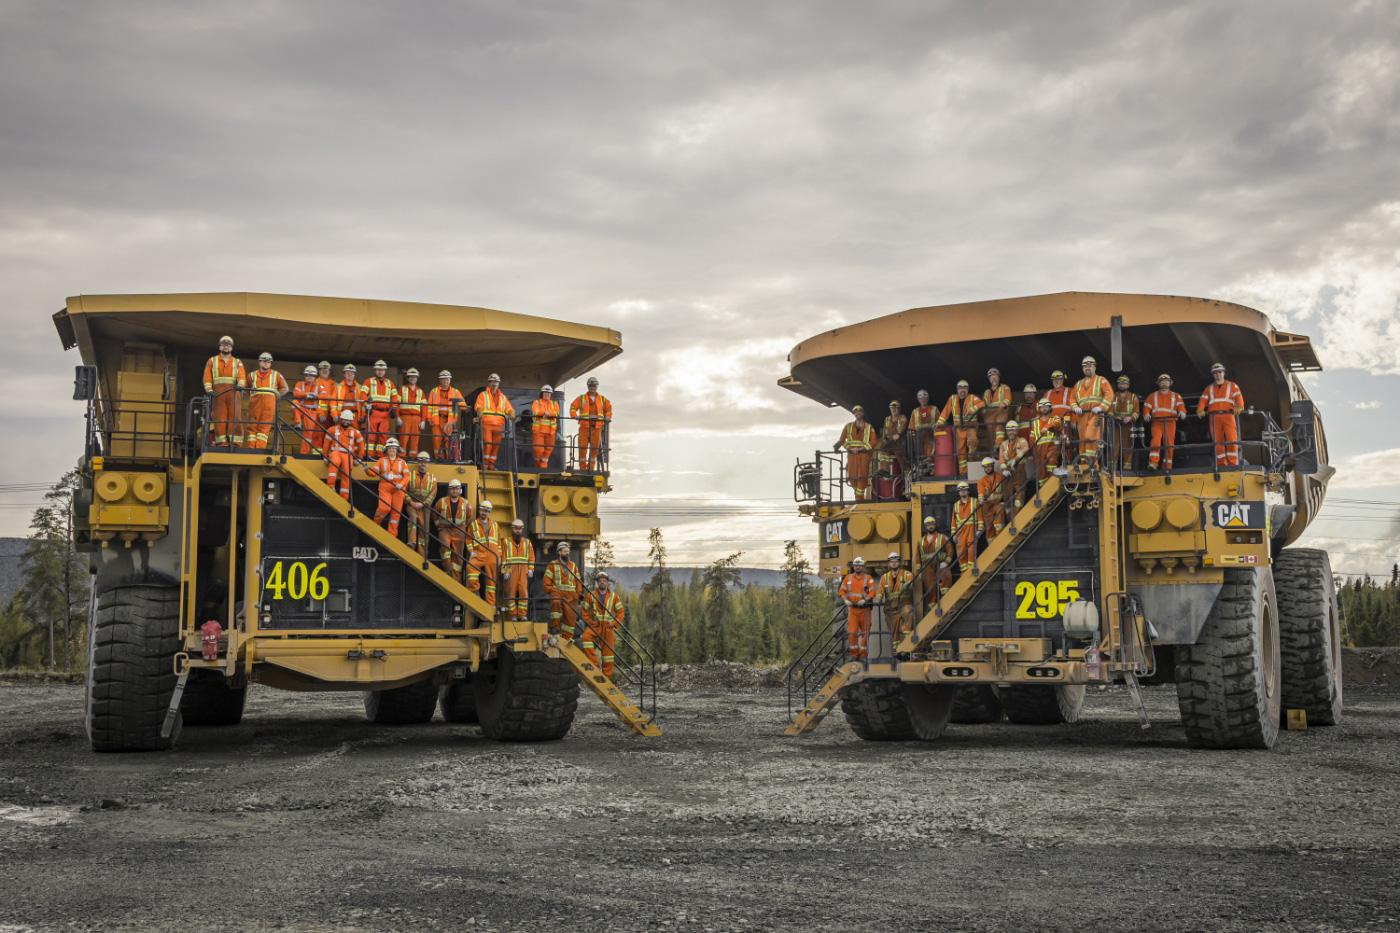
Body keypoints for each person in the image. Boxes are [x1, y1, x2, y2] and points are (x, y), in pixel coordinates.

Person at [202, 335, 246, 447]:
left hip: (233, 393)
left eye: (228, 345)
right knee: (219, 419)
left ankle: (236, 443)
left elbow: (242, 376)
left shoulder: (237, 362)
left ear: (231, 348)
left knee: (235, 418)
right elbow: (207, 377)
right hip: (218, 394)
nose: (226, 347)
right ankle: (222, 443)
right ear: (220, 347)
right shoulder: (212, 361)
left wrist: (241, 385)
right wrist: (209, 389)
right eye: (224, 345)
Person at [1198, 363, 1244, 467]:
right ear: (1213, 375)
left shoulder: (1232, 386)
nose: (1218, 374)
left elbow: (1238, 397)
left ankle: (1232, 464)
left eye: (1220, 372)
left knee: (1232, 440)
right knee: (1218, 442)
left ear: (1224, 373)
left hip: (1228, 415)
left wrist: (1240, 407)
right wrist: (1200, 409)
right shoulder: (1208, 388)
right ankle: (1222, 464)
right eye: (1215, 373)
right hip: (1214, 417)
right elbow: (1203, 400)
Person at [1070, 356, 1113, 459]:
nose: (1087, 368)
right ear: (1082, 369)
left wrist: (1101, 407)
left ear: (1094, 368)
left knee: (1090, 436)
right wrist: (1075, 407)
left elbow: (1109, 394)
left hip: (1096, 414)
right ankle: (1084, 462)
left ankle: (1092, 463)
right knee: (1082, 439)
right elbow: (1072, 399)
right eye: (1085, 366)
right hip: (1082, 415)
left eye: (1089, 366)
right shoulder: (1078, 384)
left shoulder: (1101, 380)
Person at [938, 380, 985, 475]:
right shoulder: (952, 399)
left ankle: (971, 456)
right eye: (960, 388)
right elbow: (945, 412)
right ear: (957, 390)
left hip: (970, 427)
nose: (962, 390)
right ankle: (963, 473)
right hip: (958, 429)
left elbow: (982, 403)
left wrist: (972, 409)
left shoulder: (972, 398)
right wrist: (939, 422)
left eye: (964, 388)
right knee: (960, 452)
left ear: (967, 390)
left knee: (973, 440)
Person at [581, 571, 623, 677]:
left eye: (604, 581)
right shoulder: (590, 596)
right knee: (586, 638)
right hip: (596, 625)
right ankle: (594, 664)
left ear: (607, 583)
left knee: (608, 654)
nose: (602, 583)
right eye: (600, 581)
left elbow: (621, 612)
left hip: (608, 627)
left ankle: (606, 677)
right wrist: (590, 622)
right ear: (597, 583)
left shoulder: (614, 597)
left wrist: (614, 623)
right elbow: (584, 611)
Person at [244, 352, 289, 450]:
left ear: (271, 363)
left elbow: (285, 389)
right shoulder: (251, 375)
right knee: (252, 428)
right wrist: (253, 397)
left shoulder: (276, 375)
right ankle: (251, 450)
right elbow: (245, 389)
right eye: (264, 361)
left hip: (269, 405)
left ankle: (259, 450)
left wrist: (276, 396)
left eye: (268, 362)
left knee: (264, 428)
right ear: (259, 362)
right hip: (254, 406)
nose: (266, 363)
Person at [1142, 374, 1187, 470]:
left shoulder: (1176, 396)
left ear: (1170, 383)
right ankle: (1153, 463)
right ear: (1158, 383)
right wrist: (1146, 414)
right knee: (1155, 440)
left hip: (1170, 422)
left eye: (1166, 381)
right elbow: (1146, 407)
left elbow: (1181, 407)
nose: (1164, 383)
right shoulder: (1152, 396)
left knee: (1169, 443)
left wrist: (1182, 412)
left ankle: (1167, 465)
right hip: (1156, 422)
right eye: (1162, 382)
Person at [838, 557, 877, 661]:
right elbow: (842, 591)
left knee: (866, 632)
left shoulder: (868, 578)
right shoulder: (848, 578)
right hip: (853, 609)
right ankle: (854, 655)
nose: (858, 567)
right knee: (852, 632)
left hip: (865, 609)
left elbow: (872, 593)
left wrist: (865, 600)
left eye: (860, 565)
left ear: (863, 566)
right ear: (853, 567)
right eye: (856, 565)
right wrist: (845, 600)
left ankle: (863, 655)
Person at [474, 372, 516, 469]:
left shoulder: (502, 397)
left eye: (496, 382)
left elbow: (508, 407)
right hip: (487, 423)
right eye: (492, 382)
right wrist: (479, 410)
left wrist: (511, 412)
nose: (494, 384)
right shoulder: (483, 395)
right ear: (489, 383)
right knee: (488, 444)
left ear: (498, 384)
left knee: (496, 445)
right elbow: (478, 404)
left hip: (498, 425)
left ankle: (491, 464)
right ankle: (484, 464)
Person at [834, 406, 876, 501]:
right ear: (854, 414)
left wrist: (862, 448)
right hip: (852, 456)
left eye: (860, 411)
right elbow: (841, 440)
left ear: (863, 413)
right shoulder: (848, 426)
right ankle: (858, 497)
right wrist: (850, 448)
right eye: (856, 412)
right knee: (852, 477)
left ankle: (859, 499)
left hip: (863, 455)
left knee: (862, 476)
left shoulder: (869, 427)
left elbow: (874, 442)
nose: (858, 413)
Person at [570, 376, 613, 470]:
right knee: (582, 448)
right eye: (590, 385)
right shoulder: (581, 398)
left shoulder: (602, 399)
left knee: (594, 449)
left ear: (597, 386)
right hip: (584, 426)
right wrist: (574, 415)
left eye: (594, 385)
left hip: (597, 427)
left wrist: (608, 417)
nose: (592, 387)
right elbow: (573, 407)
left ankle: (591, 468)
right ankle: (583, 469)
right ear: (588, 387)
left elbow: (609, 408)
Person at [368, 437, 408, 536]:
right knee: (384, 508)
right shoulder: (381, 460)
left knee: (396, 513)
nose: (392, 450)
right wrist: (366, 470)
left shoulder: (402, 462)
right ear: (386, 450)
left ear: (397, 450)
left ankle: (392, 535)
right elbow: (373, 473)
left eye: (394, 448)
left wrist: (401, 484)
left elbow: (407, 476)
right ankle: (376, 524)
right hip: (385, 487)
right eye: (390, 448)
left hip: (398, 489)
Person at [466, 500, 503, 607]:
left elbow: (499, 542)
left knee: (491, 581)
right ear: (479, 510)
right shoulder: (473, 525)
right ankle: (474, 591)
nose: (484, 512)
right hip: (479, 553)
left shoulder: (495, 525)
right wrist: (471, 552)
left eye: (487, 511)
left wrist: (499, 556)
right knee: (470, 567)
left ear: (489, 512)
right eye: (482, 510)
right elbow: (468, 540)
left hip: (493, 555)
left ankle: (491, 604)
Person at [433, 479, 471, 582]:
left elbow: (469, 517)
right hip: (445, 530)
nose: (455, 491)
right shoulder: (441, 501)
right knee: (445, 548)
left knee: (458, 556)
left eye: (457, 488)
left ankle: (456, 580)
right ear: (449, 490)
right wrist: (439, 526)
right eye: (453, 488)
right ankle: (448, 569)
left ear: (460, 490)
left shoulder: (466, 503)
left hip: (459, 531)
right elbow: (434, 514)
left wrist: (463, 528)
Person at [322, 409, 364, 501]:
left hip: (348, 455)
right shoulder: (332, 429)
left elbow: (361, 444)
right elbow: (326, 443)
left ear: (351, 421)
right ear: (340, 419)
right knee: (334, 463)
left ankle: (344, 498)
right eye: (344, 419)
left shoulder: (355, 432)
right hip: (335, 453)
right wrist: (324, 455)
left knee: (346, 475)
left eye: (348, 420)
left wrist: (360, 457)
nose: (346, 421)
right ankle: (330, 486)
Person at [362, 360, 400, 458]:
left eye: (382, 370)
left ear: (385, 371)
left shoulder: (390, 383)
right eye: (378, 370)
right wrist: (366, 405)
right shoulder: (368, 381)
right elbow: (363, 394)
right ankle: (368, 455)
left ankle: (380, 455)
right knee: (370, 435)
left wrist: (394, 407)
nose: (380, 372)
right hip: (373, 412)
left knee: (383, 436)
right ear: (375, 370)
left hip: (385, 414)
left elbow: (395, 396)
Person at [877, 552, 916, 646]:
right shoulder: (884, 577)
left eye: (896, 561)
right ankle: (895, 651)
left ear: (899, 563)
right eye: (892, 562)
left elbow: (911, 582)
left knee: (909, 614)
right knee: (892, 629)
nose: (894, 563)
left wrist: (908, 585)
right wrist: (878, 599)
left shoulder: (907, 574)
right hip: (890, 607)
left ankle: (908, 645)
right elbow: (880, 590)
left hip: (904, 603)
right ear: (889, 564)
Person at [500, 519, 536, 621]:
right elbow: (503, 558)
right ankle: (513, 615)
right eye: (516, 528)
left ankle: (522, 615)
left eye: (520, 529)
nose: (517, 531)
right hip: (511, 571)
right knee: (510, 592)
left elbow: (532, 557)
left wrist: (531, 569)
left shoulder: (527, 543)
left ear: (522, 530)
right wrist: (505, 571)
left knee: (523, 592)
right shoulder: (506, 542)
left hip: (523, 570)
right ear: (512, 529)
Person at [543, 542, 581, 637]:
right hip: (557, 592)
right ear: (559, 552)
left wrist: (578, 594)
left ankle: (567, 637)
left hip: (571, 595)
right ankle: (555, 627)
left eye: (568, 551)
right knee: (555, 603)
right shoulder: (552, 564)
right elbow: (546, 579)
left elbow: (578, 581)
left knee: (570, 616)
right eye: (565, 551)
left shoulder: (573, 566)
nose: (567, 553)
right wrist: (550, 590)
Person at [404, 451, 438, 557]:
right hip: (412, 504)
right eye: (421, 461)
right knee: (413, 519)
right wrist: (410, 501)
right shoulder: (410, 475)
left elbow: (433, 494)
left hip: (425, 507)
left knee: (424, 528)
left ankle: (422, 555)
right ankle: (412, 543)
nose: (423, 464)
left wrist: (424, 504)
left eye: (425, 462)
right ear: (417, 463)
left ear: (428, 463)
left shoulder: (432, 478)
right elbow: (404, 490)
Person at [426, 370, 465, 461]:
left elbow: (462, 403)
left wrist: (465, 408)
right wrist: (429, 419)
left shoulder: (456, 392)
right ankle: (438, 459)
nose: (445, 381)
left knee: (449, 442)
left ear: (450, 380)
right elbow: (429, 406)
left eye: (447, 379)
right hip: (437, 420)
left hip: (450, 422)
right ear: (440, 380)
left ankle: (449, 460)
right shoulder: (434, 391)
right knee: (436, 442)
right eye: (443, 379)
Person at [917, 516, 954, 602]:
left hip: (941, 564)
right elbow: (917, 556)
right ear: (925, 527)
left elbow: (950, 550)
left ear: (935, 525)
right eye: (928, 525)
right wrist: (919, 571)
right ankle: (932, 607)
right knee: (930, 588)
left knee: (946, 577)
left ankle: (946, 600)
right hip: (927, 567)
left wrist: (946, 562)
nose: (930, 526)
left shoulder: (942, 538)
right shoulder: (921, 541)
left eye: (932, 524)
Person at [996, 420, 1032, 509]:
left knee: (1019, 498)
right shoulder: (1003, 445)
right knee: (1007, 497)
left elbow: (1025, 449)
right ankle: (1009, 519)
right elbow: (1001, 459)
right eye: (1009, 430)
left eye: (1013, 430)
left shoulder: (1022, 441)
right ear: (1007, 432)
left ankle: (1017, 518)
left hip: (1019, 474)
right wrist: (1004, 470)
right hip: (1007, 475)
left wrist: (1015, 460)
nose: (1011, 432)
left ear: (1017, 431)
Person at [1110, 375, 1141, 470]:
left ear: (1128, 385)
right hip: (1115, 425)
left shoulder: (1133, 397)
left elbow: (1137, 412)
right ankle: (1112, 468)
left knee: (1127, 445)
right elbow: (1109, 410)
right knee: (1114, 445)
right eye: (1120, 383)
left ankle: (1127, 469)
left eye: (1124, 383)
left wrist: (1130, 418)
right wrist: (1114, 416)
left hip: (1128, 425)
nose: (1121, 385)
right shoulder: (1113, 396)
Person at [1030, 398, 1063, 483]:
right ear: (1039, 409)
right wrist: (1032, 450)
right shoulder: (1035, 422)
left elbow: (1057, 424)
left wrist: (1046, 427)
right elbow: (1032, 437)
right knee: (1041, 471)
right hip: (1038, 449)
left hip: (1052, 446)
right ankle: (1043, 489)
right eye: (1042, 407)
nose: (1044, 408)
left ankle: (1052, 484)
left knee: (1051, 461)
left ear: (1049, 408)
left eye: (1046, 406)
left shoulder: (1055, 418)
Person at [951, 481, 982, 572]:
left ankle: (971, 571)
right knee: (961, 554)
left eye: (964, 489)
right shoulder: (956, 505)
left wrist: (979, 529)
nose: (963, 491)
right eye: (960, 490)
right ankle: (964, 575)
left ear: (968, 491)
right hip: (960, 533)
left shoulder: (974, 501)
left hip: (972, 530)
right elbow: (953, 521)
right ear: (958, 492)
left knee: (972, 552)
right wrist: (953, 534)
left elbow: (979, 515)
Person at [397, 368, 428, 458]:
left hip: (416, 418)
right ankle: (401, 456)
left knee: (415, 439)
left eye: (414, 377)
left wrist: (423, 421)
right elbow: (396, 404)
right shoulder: (401, 389)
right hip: (404, 417)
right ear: (408, 378)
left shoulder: (420, 391)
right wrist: (398, 417)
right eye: (411, 377)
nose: (413, 378)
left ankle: (413, 456)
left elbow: (424, 408)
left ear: (417, 378)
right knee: (403, 438)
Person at [292, 365, 323, 455]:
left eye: (312, 375)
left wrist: (316, 396)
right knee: (294, 403)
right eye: (307, 375)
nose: (309, 377)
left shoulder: (319, 385)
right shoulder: (299, 384)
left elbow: (325, 395)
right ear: (304, 376)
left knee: (308, 435)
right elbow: (295, 393)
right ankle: (297, 423)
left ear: (315, 377)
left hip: (312, 411)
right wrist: (306, 394)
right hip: (302, 408)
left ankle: (303, 454)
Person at [530, 385, 560, 469]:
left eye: (549, 393)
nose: (547, 394)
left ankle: (543, 467)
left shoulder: (555, 403)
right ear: (542, 393)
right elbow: (535, 411)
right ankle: (538, 465)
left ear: (551, 394)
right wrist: (545, 412)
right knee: (538, 450)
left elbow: (557, 413)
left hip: (551, 431)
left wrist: (549, 414)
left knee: (548, 450)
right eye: (545, 393)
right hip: (539, 431)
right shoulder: (536, 402)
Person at [976, 458, 1006, 541]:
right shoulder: (981, 481)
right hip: (987, 508)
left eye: (989, 466)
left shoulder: (1000, 477)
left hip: (997, 504)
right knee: (989, 529)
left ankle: (1000, 539)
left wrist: (1005, 502)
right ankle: (992, 546)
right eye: (985, 467)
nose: (987, 468)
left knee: (1000, 512)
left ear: (992, 466)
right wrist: (981, 499)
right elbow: (981, 492)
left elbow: (1006, 489)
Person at [982, 367, 1012, 449]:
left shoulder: (1004, 387)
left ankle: (999, 445)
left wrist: (1004, 403)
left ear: (999, 378)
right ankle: (996, 451)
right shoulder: (986, 392)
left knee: (1000, 426)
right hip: (989, 414)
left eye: (995, 376)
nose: (994, 378)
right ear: (989, 379)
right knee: (992, 434)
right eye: (991, 377)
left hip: (1000, 411)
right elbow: (983, 403)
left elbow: (1007, 398)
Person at [877, 400, 908, 476]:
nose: (894, 410)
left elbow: (902, 429)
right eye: (892, 408)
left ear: (899, 409)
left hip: (899, 444)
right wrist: (884, 443)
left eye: (896, 408)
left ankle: (905, 476)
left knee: (902, 461)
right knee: (883, 451)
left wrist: (898, 434)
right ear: (890, 409)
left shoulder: (902, 418)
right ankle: (885, 470)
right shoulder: (887, 419)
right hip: (890, 443)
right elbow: (884, 433)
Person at [909, 389, 938, 461]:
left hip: (931, 437)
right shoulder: (914, 412)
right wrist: (914, 439)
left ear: (928, 398)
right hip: (919, 439)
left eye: (925, 397)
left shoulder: (934, 409)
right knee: (920, 458)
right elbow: (911, 428)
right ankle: (921, 470)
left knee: (931, 456)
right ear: (918, 399)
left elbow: (940, 424)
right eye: (921, 398)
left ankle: (931, 471)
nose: (923, 399)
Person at [332, 364, 365, 429]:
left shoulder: (359, 387)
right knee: (342, 434)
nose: (350, 374)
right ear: (344, 374)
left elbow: (362, 404)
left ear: (354, 375)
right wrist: (334, 415)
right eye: (347, 373)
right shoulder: (338, 387)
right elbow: (333, 403)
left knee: (354, 435)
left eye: (352, 373)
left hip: (355, 416)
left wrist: (363, 415)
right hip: (342, 415)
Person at [313, 360, 337, 438]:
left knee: (331, 438)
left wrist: (335, 414)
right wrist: (320, 413)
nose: (325, 371)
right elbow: (313, 401)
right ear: (319, 371)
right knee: (318, 437)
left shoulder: (334, 384)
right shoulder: (315, 383)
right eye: (322, 370)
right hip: (319, 415)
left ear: (329, 371)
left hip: (331, 416)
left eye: (326, 370)